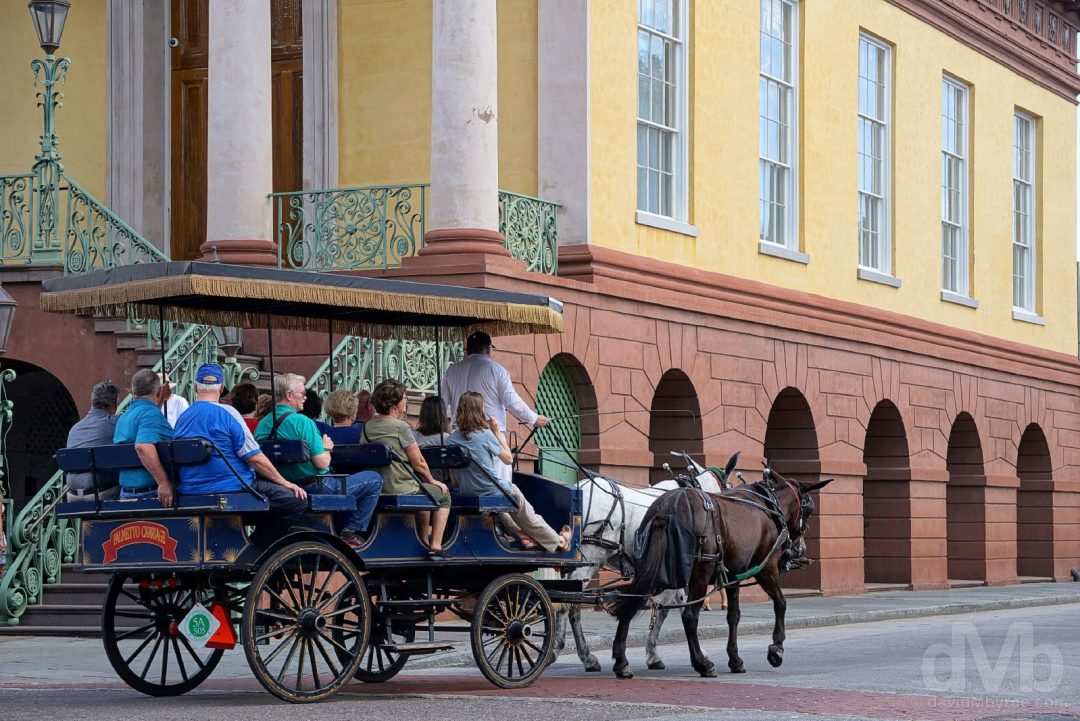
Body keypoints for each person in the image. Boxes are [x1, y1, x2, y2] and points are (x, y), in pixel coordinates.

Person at [174, 364, 308, 544]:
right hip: (231, 486)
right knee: (295, 501)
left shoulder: (183, 417)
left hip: (191, 489)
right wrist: (285, 482)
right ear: (222, 389)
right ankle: (258, 549)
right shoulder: (228, 413)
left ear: (196, 386)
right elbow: (254, 457)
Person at [255, 373, 382, 547]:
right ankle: (351, 531)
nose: (305, 397)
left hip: (283, 489)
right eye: (302, 393)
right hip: (317, 486)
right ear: (289, 395)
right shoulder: (302, 422)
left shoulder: (264, 423)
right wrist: (327, 448)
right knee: (374, 479)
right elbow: (321, 463)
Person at [448, 392, 571, 552]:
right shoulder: (485, 435)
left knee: (505, 510)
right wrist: (497, 432)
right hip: (492, 491)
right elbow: (508, 459)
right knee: (527, 513)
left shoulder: (452, 439)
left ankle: (524, 537)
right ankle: (559, 541)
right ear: (479, 411)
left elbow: (455, 480)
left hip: (468, 492)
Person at [440, 331, 549, 482]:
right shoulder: (497, 370)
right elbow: (512, 402)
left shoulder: (451, 371)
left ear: (467, 350)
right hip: (489, 436)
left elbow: (441, 405)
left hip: (459, 438)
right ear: (488, 350)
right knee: (500, 485)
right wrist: (534, 418)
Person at [363, 379, 452, 558]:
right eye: (404, 398)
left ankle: (421, 540)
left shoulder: (368, 426)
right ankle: (435, 544)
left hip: (379, 486)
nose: (406, 402)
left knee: (427, 493)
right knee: (443, 495)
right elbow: (418, 462)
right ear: (394, 404)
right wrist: (433, 480)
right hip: (401, 486)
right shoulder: (401, 427)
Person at [113, 370, 176, 505]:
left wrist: (160, 399)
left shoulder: (123, 417)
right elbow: (143, 447)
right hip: (150, 493)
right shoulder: (150, 414)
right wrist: (163, 483)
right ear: (159, 391)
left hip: (127, 492)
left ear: (132, 393)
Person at [65, 380, 122, 502]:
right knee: (130, 484)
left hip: (72, 494)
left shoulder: (75, 428)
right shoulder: (115, 423)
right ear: (116, 404)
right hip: (100, 493)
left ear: (92, 402)